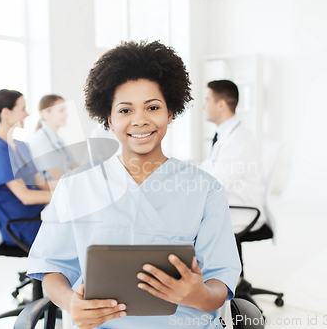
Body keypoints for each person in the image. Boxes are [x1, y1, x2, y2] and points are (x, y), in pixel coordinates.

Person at [28, 41, 241, 329]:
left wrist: (200, 294)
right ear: (109, 118)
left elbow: (220, 283)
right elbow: (53, 267)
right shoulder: (76, 186)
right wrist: (70, 303)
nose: (139, 120)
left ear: (170, 113)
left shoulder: (205, 190)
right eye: (125, 111)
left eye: (152, 107)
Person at [0, 89, 55, 247]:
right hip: (21, 226)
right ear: (6, 113)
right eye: (22, 109)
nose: (27, 114)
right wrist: (63, 196)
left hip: (39, 216)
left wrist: (70, 187)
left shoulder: (21, 146)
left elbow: (42, 184)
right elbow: (25, 196)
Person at [199, 80, 266, 234]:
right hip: (228, 204)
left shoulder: (238, 140)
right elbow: (208, 170)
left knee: (183, 223)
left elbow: (217, 183)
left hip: (240, 210)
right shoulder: (225, 135)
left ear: (221, 105)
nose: (204, 106)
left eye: (207, 100)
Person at [29, 94, 78, 181]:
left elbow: (75, 166)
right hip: (50, 191)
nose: (66, 114)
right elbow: (56, 175)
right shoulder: (40, 140)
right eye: (61, 110)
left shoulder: (59, 140)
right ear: (46, 114)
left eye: (65, 110)